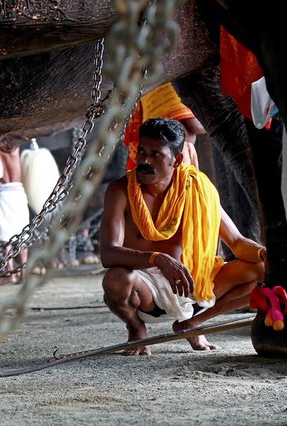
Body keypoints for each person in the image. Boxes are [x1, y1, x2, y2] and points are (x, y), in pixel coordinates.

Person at [99, 118, 265, 355]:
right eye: (142, 151)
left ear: (176, 160)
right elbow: (108, 253)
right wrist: (157, 259)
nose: (144, 160)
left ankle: (192, 324)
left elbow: (237, 243)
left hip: (195, 282)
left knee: (264, 269)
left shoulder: (198, 188)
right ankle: (136, 328)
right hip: (146, 287)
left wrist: (268, 254)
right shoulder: (120, 190)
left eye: (155, 154)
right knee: (115, 280)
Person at [124, 82, 206, 170]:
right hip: (173, 156)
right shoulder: (170, 87)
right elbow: (195, 126)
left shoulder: (150, 84)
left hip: (160, 156)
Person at [0, 136, 30, 284]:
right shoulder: (15, 147)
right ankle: (24, 271)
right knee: (22, 233)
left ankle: (10, 273)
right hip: (19, 191)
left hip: (2, 193)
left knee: (5, 237)